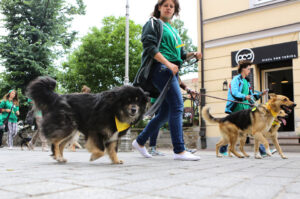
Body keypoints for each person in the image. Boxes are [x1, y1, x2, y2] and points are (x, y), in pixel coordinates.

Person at [132, 0, 202, 161]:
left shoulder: (175, 31)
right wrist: (168, 63)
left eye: (172, 6)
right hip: (160, 69)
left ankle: (140, 141)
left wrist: (193, 54)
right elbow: (149, 47)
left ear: (175, 10)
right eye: (166, 5)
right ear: (159, 8)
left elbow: (181, 53)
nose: (169, 8)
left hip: (171, 70)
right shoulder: (153, 23)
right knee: (178, 106)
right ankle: (179, 150)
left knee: (165, 113)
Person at [222, 60, 275, 157]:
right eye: (248, 69)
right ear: (243, 69)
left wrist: (260, 94)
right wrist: (244, 96)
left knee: (253, 130)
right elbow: (234, 93)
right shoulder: (235, 80)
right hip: (236, 110)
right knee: (235, 132)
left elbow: (251, 96)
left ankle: (262, 150)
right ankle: (222, 149)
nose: (249, 71)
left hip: (245, 110)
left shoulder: (246, 82)